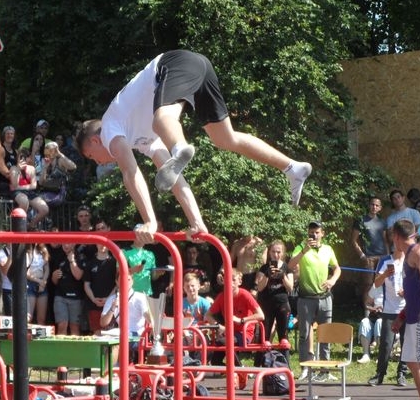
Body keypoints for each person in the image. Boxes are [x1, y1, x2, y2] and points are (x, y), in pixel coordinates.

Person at [76, 50, 312, 244]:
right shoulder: (141, 139)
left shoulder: (109, 128)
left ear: (94, 141)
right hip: (201, 66)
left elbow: (130, 172)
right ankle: (292, 167)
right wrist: (197, 222)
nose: (100, 162)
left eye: (92, 156)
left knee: (161, 120)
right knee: (224, 139)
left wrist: (149, 221)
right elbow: (176, 181)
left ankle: (180, 148)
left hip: (173, 63)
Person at [288, 220, 341, 382]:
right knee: (304, 334)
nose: (314, 234)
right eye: (311, 232)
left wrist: (332, 280)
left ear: (322, 234)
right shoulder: (301, 248)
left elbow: (337, 268)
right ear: (308, 233)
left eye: (317, 232)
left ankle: (325, 369)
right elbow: (290, 266)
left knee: (326, 334)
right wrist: (304, 251)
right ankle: (306, 367)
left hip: (325, 298)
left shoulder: (328, 249)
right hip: (306, 298)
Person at [389, 220, 420, 398]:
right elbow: (414, 294)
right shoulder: (409, 255)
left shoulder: (417, 252)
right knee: (412, 363)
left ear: (396, 237)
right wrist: (402, 315)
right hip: (413, 317)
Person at [204, 268, 265, 365]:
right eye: (227, 279)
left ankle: (240, 369)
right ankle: (232, 371)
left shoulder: (245, 294)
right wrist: (218, 326)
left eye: (233, 280)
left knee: (227, 341)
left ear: (239, 281)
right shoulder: (222, 296)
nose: (230, 283)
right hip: (229, 333)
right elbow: (207, 315)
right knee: (215, 361)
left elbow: (261, 315)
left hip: (244, 333)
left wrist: (241, 320)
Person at [367, 250, 408, 386]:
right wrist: (385, 274)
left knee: (405, 343)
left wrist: (406, 292)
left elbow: (417, 283)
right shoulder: (385, 260)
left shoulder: (410, 260)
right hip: (389, 309)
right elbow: (376, 283)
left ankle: (401, 374)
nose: (400, 246)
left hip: (406, 308)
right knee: (386, 343)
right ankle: (380, 374)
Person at [101, 271, 152, 363]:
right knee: (99, 338)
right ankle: (108, 371)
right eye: (122, 280)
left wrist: (151, 314)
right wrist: (113, 308)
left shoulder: (140, 297)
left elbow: (148, 318)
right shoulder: (112, 299)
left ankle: (112, 372)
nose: (125, 282)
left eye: (128, 279)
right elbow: (103, 322)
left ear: (132, 281)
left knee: (116, 343)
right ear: (117, 282)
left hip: (138, 335)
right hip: (118, 333)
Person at [351, 196, 389, 310]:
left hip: (382, 257)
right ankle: (367, 312)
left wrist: (387, 256)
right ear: (369, 205)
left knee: (382, 284)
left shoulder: (382, 222)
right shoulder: (361, 220)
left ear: (380, 208)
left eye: (377, 205)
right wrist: (362, 255)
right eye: (372, 204)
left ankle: (380, 309)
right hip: (369, 257)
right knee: (368, 285)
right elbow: (353, 240)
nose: (374, 207)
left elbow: (385, 240)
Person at [255, 240, 293, 353]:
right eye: (273, 252)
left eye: (278, 252)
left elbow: (290, 288)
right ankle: (259, 365)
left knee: (284, 339)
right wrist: (267, 274)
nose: (275, 255)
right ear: (269, 253)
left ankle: (285, 367)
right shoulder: (263, 268)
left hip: (282, 304)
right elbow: (260, 288)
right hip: (266, 304)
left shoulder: (287, 268)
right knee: (264, 338)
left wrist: (282, 276)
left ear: (283, 253)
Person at [83, 218, 117, 334]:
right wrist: (94, 299)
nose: (102, 245)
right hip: (93, 304)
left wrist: (108, 299)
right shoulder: (90, 262)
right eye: (99, 243)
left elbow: (119, 283)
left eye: (105, 243)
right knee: (97, 333)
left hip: (111, 304)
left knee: (111, 333)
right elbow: (86, 284)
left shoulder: (115, 261)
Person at [9, 148, 49, 229]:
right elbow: (14, 184)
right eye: (20, 157)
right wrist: (19, 170)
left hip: (29, 192)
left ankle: (30, 225)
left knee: (44, 209)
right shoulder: (13, 168)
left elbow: (34, 185)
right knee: (24, 201)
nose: (22, 160)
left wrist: (20, 187)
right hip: (18, 193)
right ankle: (17, 225)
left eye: (25, 157)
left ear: (29, 158)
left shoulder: (31, 169)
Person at [52, 243, 85, 335]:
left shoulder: (81, 257)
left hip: (76, 297)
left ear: (74, 244)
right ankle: (60, 349)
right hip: (60, 296)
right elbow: (54, 281)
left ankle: (75, 349)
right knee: (62, 325)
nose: (65, 246)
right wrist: (54, 276)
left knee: (74, 326)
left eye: (68, 243)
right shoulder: (59, 257)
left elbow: (78, 276)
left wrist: (72, 261)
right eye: (63, 243)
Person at [357, 283, 383, 364]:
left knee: (379, 322)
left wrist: (384, 308)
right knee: (364, 322)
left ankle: (381, 355)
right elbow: (367, 304)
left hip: (388, 319)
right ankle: (366, 354)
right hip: (374, 316)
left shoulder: (395, 288)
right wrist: (373, 308)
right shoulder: (376, 287)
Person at [26, 243, 50, 325]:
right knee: (28, 317)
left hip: (42, 283)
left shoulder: (43, 250)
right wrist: (39, 281)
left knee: (41, 318)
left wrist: (44, 281)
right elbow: (26, 273)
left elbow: (46, 268)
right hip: (31, 283)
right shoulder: (27, 251)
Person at [0, 125, 18, 201]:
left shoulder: (16, 152)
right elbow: (1, 169)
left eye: (11, 134)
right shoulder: (1, 149)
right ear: (4, 135)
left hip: (13, 185)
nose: (10, 135)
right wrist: (13, 178)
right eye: (7, 133)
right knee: (3, 210)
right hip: (2, 184)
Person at [0, 246, 13, 316]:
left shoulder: (24, 251)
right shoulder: (0, 253)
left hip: (22, 287)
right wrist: (11, 254)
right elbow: (5, 271)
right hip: (8, 289)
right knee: (10, 315)